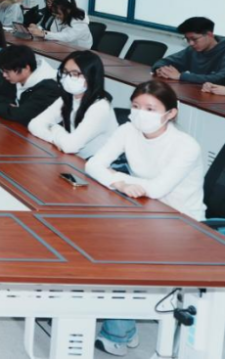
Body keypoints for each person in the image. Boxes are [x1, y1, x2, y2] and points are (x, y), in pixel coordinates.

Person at [85, 80, 206, 356]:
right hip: (144, 211)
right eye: (136, 106)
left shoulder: (186, 146)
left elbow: (158, 189)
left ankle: (118, 332)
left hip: (183, 224)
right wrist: (120, 183)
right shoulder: (128, 130)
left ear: (170, 113)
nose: (141, 113)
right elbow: (93, 164)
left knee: (117, 254)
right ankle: (120, 326)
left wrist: (116, 177)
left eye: (150, 108)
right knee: (94, 241)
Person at [28, 51, 118, 158]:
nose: (67, 78)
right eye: (65, 72)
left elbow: (70, 147)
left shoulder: (100, 108)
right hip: (73, 159)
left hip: (96, 164)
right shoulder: (69, 97)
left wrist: (55, 128)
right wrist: (56, 139)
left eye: (75, 74)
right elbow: (34, 124)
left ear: (91, 77)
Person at [0, 44, 61, 126]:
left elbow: (22, 116)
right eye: (3, 71)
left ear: (26, 68)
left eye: (7, 72)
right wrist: (9, 104)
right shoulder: (15, 77)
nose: (4, 75)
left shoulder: (49, 88)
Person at [152, 17, 225, 84]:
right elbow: (163, 62)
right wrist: (160, 69)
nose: (191, 43)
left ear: (209, 35)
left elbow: (220, 79)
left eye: (194, 39)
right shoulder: (192, 50)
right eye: (187, 39)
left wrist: (180, 76)